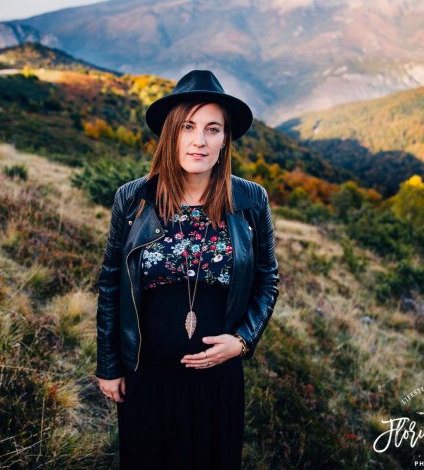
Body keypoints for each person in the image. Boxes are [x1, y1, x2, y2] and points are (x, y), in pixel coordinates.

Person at [95, 69, 280, 469]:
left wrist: (244, 341)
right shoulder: (134, 199)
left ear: (225, 139)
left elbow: (267, 279)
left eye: (213, 129)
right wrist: (109, 367)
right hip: (147, 377)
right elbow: (111, 283)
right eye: (188, 127)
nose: (199, 140)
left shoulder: (250, 200)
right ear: (170, 134)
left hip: (218, 381)